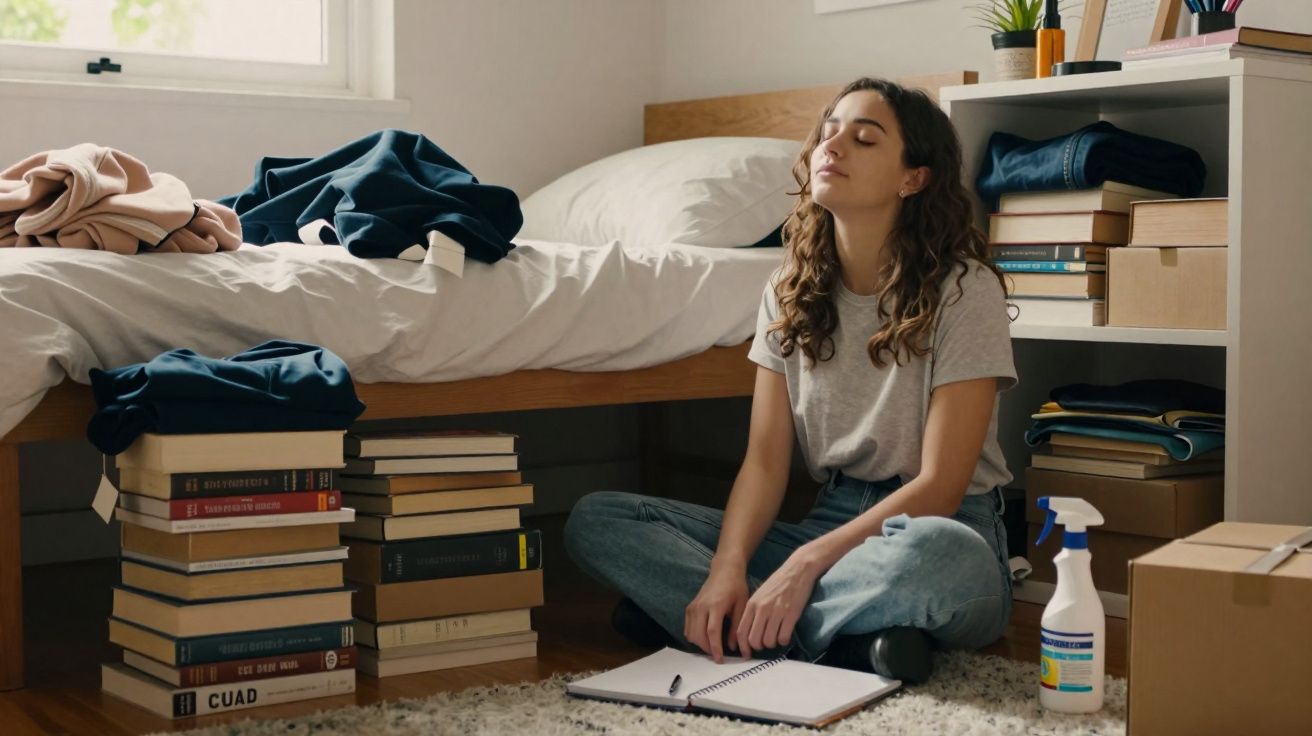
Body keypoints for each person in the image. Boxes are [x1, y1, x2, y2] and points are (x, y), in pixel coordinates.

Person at [564, 77, 1016, 684]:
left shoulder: (965, 290)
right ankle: (845, 642)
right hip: (831, 520)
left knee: (934, 555)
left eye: (864, 138)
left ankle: (723, 627)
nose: (833, 145)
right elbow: (764, 463)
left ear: (914, 177)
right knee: (598, 518)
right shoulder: (786, 289)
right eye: (829, 131)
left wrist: (805, 563)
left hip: (942, 527)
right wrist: (727, 567)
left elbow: (940, 488)